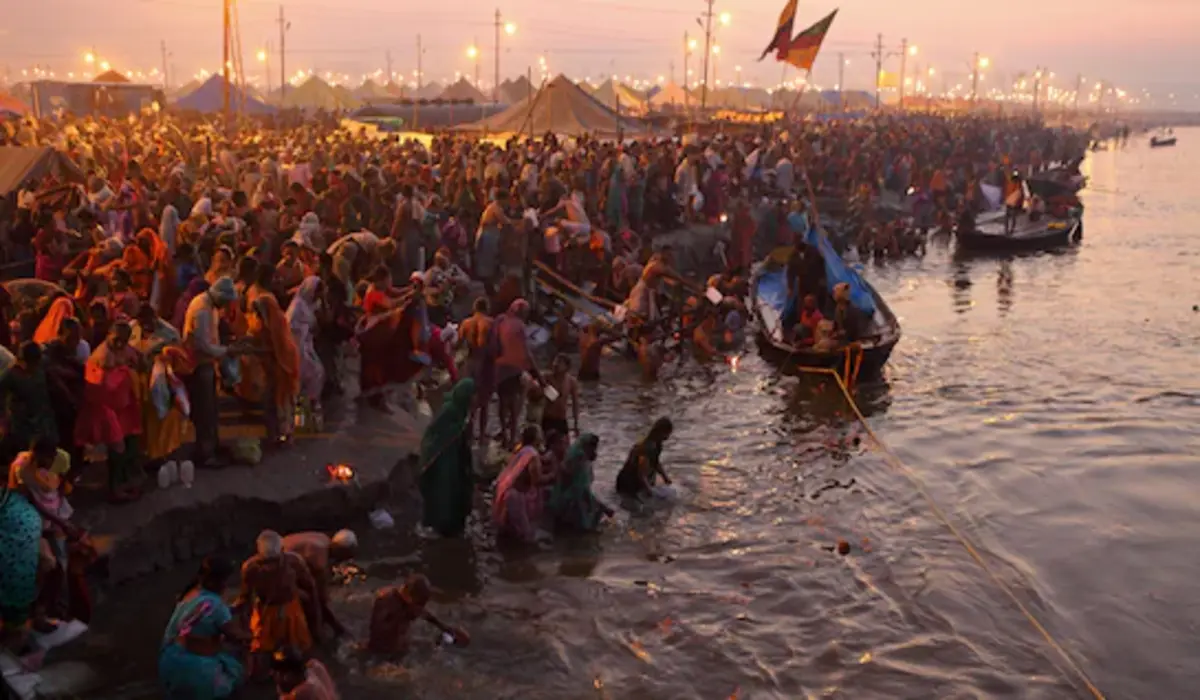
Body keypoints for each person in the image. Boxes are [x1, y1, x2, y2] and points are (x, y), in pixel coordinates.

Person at [158, 557, 248, 700]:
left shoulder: (189, 593)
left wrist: (232, 610)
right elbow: (234, 635)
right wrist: (256, 636)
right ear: (219, 582)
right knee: (237, 677)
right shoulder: (217, 606)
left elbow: (200, 616)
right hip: (197, 670)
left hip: (170, 661)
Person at [76, 321, 144, 501]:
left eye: (124, 340)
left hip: (122, 408)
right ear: (109, 335)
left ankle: (122, 482)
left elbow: (138, 360)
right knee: (117, 447)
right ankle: (115, 490)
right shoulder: (103, 355)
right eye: (117, 340)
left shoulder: (122, 349)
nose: (120, 344)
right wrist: (125, 370)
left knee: (127, 444)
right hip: (107, 409)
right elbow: (105, 386)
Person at [238, 530, 318, 675]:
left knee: (301, 650)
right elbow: (245, 597)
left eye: (274, 561)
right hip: (265, 612)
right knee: (261, 654)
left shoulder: (294, 562)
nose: (270, 567)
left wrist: (315, 618)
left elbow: (311, 587)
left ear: (282, 551)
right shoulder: (250, 568)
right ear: (258, 555)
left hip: (291, 610)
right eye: (266, 562)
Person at [183, 277, 240, 467]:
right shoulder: (202, 309)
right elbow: (203, 345)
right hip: (199, 364)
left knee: (213, 409)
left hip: (209, 363)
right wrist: (226, 351)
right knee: (205, 411)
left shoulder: (210, 306)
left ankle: (213, 445)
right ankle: (205, 453)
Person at [418, 379, 476, 537]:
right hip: (443, 461)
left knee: (458, 491)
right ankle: (441, 524)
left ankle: (454, 523)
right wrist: (459, 429)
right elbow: (434, 434)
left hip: (455, 460)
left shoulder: (461, 410)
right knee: (443, 493)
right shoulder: (449, 410)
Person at [366, 573, 469, 656]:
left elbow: (420, 612)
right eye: (420, 604)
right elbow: (378, 639)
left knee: (431, 646)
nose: (421, 609)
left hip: (397, 647)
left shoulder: (406, 603)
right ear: (409, 597)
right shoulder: (388, 606)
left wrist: (444, 628)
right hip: (384, 655)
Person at [280, 530, 356, 640]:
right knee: (308, 598)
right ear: (341, 551)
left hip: (275, 550)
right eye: (347, 556)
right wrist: (335, 627)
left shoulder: (323, 538)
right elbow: (319, 597)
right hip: (274, 567)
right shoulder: (320, 560)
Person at [249, 292, 301, 444]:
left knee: (283, 403)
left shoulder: (277, 322)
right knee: (271, 402)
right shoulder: (266, 321)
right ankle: (274, 434)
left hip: (283, 367)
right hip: (273, 368)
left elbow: (279, 348)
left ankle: (284, 435)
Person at [492, 299, 541, 448]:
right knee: (513, 404)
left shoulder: (500, 320)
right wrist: (537, 373)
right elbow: (526, 352)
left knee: (502, 402)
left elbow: (494, 343)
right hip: (513, 368)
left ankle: (505, 435)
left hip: (500, 367)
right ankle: (511, 437)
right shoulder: (520, 326)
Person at [492, 425, 551, 541]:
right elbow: (537, 480)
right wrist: (553, 475)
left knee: (509, 533)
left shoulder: (522, 450)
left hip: (505, 492)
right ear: (536, 439)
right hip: (515, 496)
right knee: (526, 536)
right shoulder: (533, 455)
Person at [548, 433, 613, 532]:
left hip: (573, 494)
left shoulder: (581, 457)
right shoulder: (579, 458)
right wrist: (602, 507)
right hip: (570, 497)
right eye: (592, 447)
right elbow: (577, 487)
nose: (594, 450)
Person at [286, 277, 325, 425]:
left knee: (316, 373)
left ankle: (309, 410)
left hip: (306, 345)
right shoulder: (297, 306)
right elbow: (291, 327)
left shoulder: (310, 304)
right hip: (297, 346)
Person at [458, 297, 494, 443]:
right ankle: (482, 434)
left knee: (468, 398)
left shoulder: (466, 323)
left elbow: (458, 342)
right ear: (487, 308)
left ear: (474, 308)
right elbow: (495, 346)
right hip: (484, 363)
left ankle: (468, 430)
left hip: (469, 362)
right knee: (484, 401)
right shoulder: (491, 323)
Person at [616, 417, 674, 499]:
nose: (667, 437)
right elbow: (641, 473)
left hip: (635, 480)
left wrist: (665, 478)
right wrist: (649, 490)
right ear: (660, 432)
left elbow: (656, 462)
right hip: (628, 483)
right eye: (667, 434)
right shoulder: (647, 447)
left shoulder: (657, 445)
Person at [271, 647, 339, 700]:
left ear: (290, 675)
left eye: (278, 672)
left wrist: (282, 692)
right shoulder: (315, 667)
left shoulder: (300, 694)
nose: (272, 674)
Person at [541, 354, 579, 439]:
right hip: (547, 418)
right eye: (555, 361)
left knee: (565, 447)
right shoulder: (546, 378)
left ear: (567, 367)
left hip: (561, 419)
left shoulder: (571, 381)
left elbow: (575, 404)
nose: (555, 364)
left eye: (559, 362)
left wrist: (576, 424)